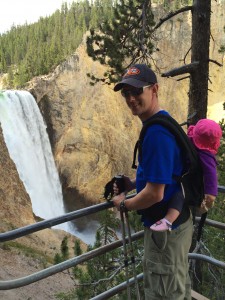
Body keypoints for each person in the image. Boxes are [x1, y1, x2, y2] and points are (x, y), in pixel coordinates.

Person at [112, 63, 193, 300]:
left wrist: (123, 203)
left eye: (137, 91)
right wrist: (133, 183)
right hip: (177, 224)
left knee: (163, 294)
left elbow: (155, 194)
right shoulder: (163, 121)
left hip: (165, 235)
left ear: (154, 89)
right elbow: (165, 174)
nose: (131, 98)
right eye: (126, 93)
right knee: (177, 287)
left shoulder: (156, 134)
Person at [150, 119, 222, 232]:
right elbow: (211, 175)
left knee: (177, 193)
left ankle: (167, 220)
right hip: (183, 180)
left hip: (175, 176)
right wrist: (211, 195)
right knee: (179, 195)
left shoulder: (188, 140)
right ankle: (168, 220)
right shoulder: (207, 156)